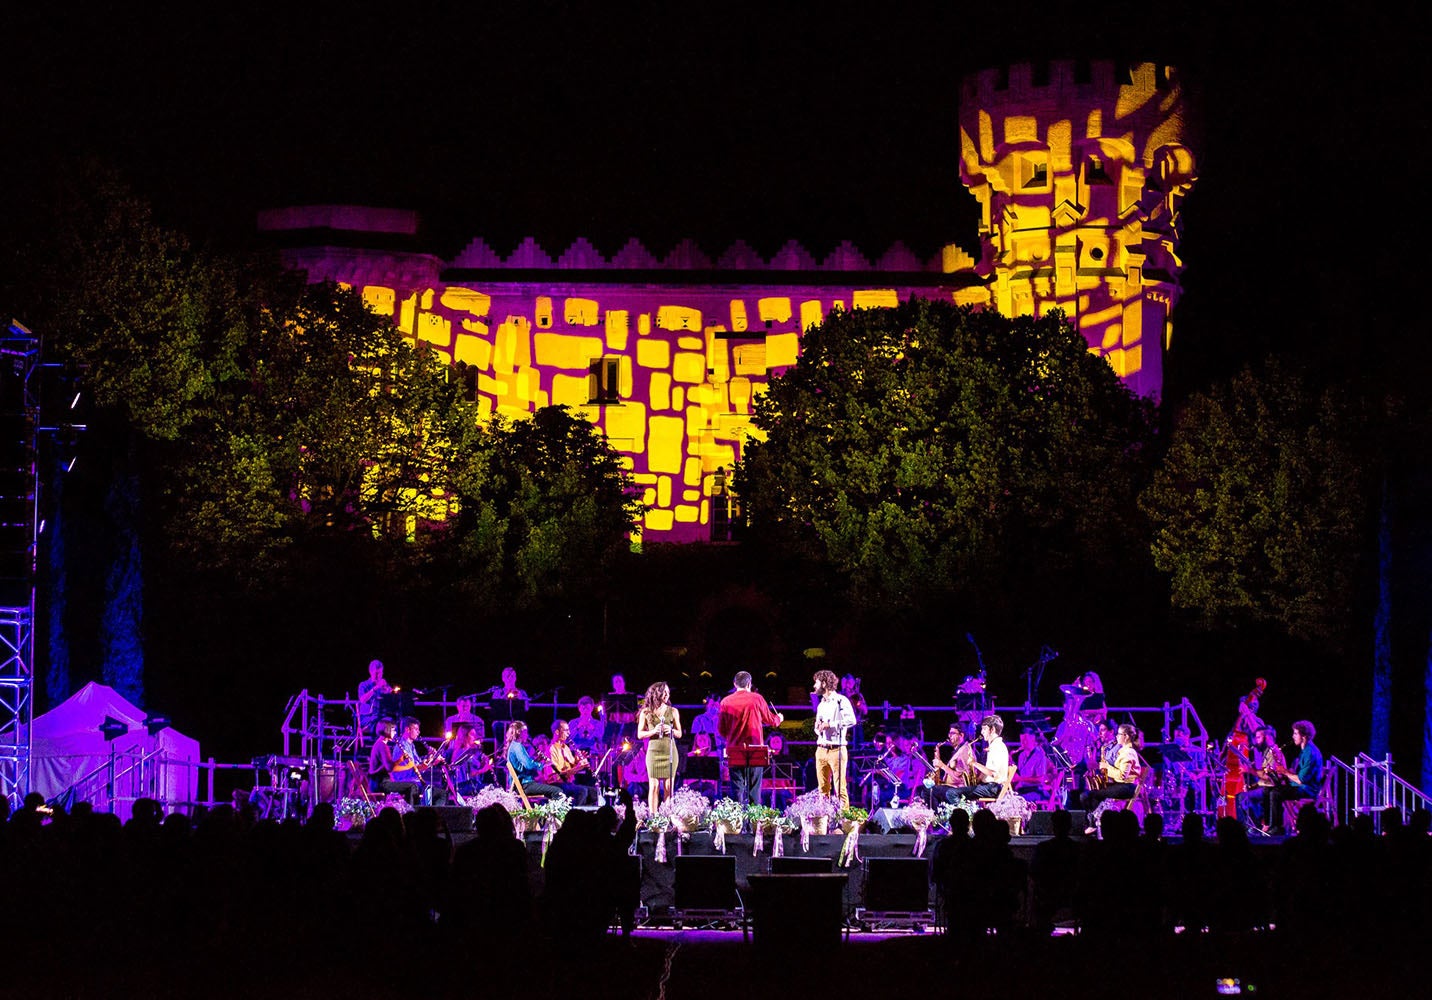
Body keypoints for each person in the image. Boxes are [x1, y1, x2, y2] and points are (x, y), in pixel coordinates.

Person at [717, 670, 783, 805]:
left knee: (737, 790)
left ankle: (737, 822)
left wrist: (731, 737)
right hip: (755, 750)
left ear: (735, 684)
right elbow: (771, 720)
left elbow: (721, 730)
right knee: (754, 790)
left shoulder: (725, 702)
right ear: (749, 684)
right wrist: (779, 718)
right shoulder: (757, 698)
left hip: (734, 750)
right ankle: (753, 823)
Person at [1081, 722, 1140, 833]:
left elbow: (1122, 776)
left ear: (1126, 736)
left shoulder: (1129, 753)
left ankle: (1096, 822)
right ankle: (1093, 821)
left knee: (1095, 795)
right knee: (1085, 795)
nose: (1117, 736)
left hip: (1127, 787)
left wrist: (1106, 767)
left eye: (1119, 734)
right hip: (1120, 785)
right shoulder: (1123, 751)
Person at [1267, 720, 1323, 835]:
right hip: (1301, 786)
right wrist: (1284, 771)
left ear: (1304, 736)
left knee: (1275, 793)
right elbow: (1300, 774)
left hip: (1307, 790)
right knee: (1270, 789)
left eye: (1296, 733)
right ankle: (1271, 825)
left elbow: (1301, 780)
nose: (1293, 736)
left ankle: (1277, 828)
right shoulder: (1305, 750)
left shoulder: (1310, 752)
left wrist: (1285, 772)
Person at [812, 669, 857, 810]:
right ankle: (823, 823)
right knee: (822, 789)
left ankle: (844, 822)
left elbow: (851, 720)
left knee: (840, 788)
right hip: (821, 749)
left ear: (824, 684)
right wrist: (818, 727)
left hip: (836, 749)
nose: (814, 686)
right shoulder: (821, 704)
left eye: (816, 683)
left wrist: (830, 724)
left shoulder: (841, 701)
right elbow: (817, 726)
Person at [943, 715, 1010, 802]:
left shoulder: (997, 747)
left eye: (984, 729)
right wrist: (977, 780)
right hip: (990, 786)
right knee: (952, 792)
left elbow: (993, 773)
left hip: (993, 788)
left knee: (952, 793)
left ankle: (966, 813)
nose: (982, 732)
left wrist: (974, 763)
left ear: (992, 729)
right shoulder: (995, 746)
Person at [637, 681, 682, 814]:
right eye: (664, 693)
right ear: (657, 694)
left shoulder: (673, 711)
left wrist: (671, 730)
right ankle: (653, 817)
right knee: (654, 786)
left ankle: (667, 816)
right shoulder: (645, 712)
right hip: (653, 752)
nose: (667, 695)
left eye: (668, 693)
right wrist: (653, 731)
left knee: (669, 787)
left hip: (669, 751)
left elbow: (679, 733)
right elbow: (639, 734)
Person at [1234, 724, 1286, 832]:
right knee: (1243, 795)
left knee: (1241, 798)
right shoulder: (1267, 752)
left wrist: (1249, 770)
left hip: (1274, 789)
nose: (1256, 741)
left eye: (1258, 737)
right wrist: (1251, 786)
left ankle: (1256, 828)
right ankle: (1258, 826)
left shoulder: (1274, 752)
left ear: (1267, 738)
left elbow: (1270, 778)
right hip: (1268, 787)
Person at [503, 721, 563, 801]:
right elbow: (529, 765)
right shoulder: (518, 746)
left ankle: (548, 811)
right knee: (558, 791)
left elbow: (524, 765)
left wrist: (537, 760)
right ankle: (554, 813)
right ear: (519, 732)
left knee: (554, 790)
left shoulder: (514, 746)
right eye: (525, 732)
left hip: (522, 784)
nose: (527, 735)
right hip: (525, 785)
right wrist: (543, 765)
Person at [548, 719, 598, 805]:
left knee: (594, 793)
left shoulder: (566, 748)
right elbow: (558, 775)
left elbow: (572, 766)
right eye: (566, 730)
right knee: (582, 791)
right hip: (556, 784)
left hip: (568, 783)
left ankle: (585, 815)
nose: (569, 733)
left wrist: (578, 760)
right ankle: (573, 815)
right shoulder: (551, 750)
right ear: (557, 732)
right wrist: (578, 767)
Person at [1012, 727, 1052, 804]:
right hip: (1024, 790)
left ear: (1033, 740)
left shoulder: (1040, 755)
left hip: (1037, 791)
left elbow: (1040, 779)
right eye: (1021, 740)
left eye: (1026, 740)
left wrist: (1020, 779)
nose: (1023, 743)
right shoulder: (1021, 755)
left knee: (1016, 801)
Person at [356, 659, 393, 737]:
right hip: (367, 717)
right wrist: (375, 689)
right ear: (370, 672)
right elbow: (362, 700)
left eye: (380, 673)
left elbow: (390, 700)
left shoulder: (383, 684)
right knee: (382, 725)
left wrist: (388, 690)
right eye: (376, 673)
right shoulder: (363, 685)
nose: (378, 676)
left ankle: (388, 746)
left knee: (393, 722)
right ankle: (378, 745)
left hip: (381, 716)